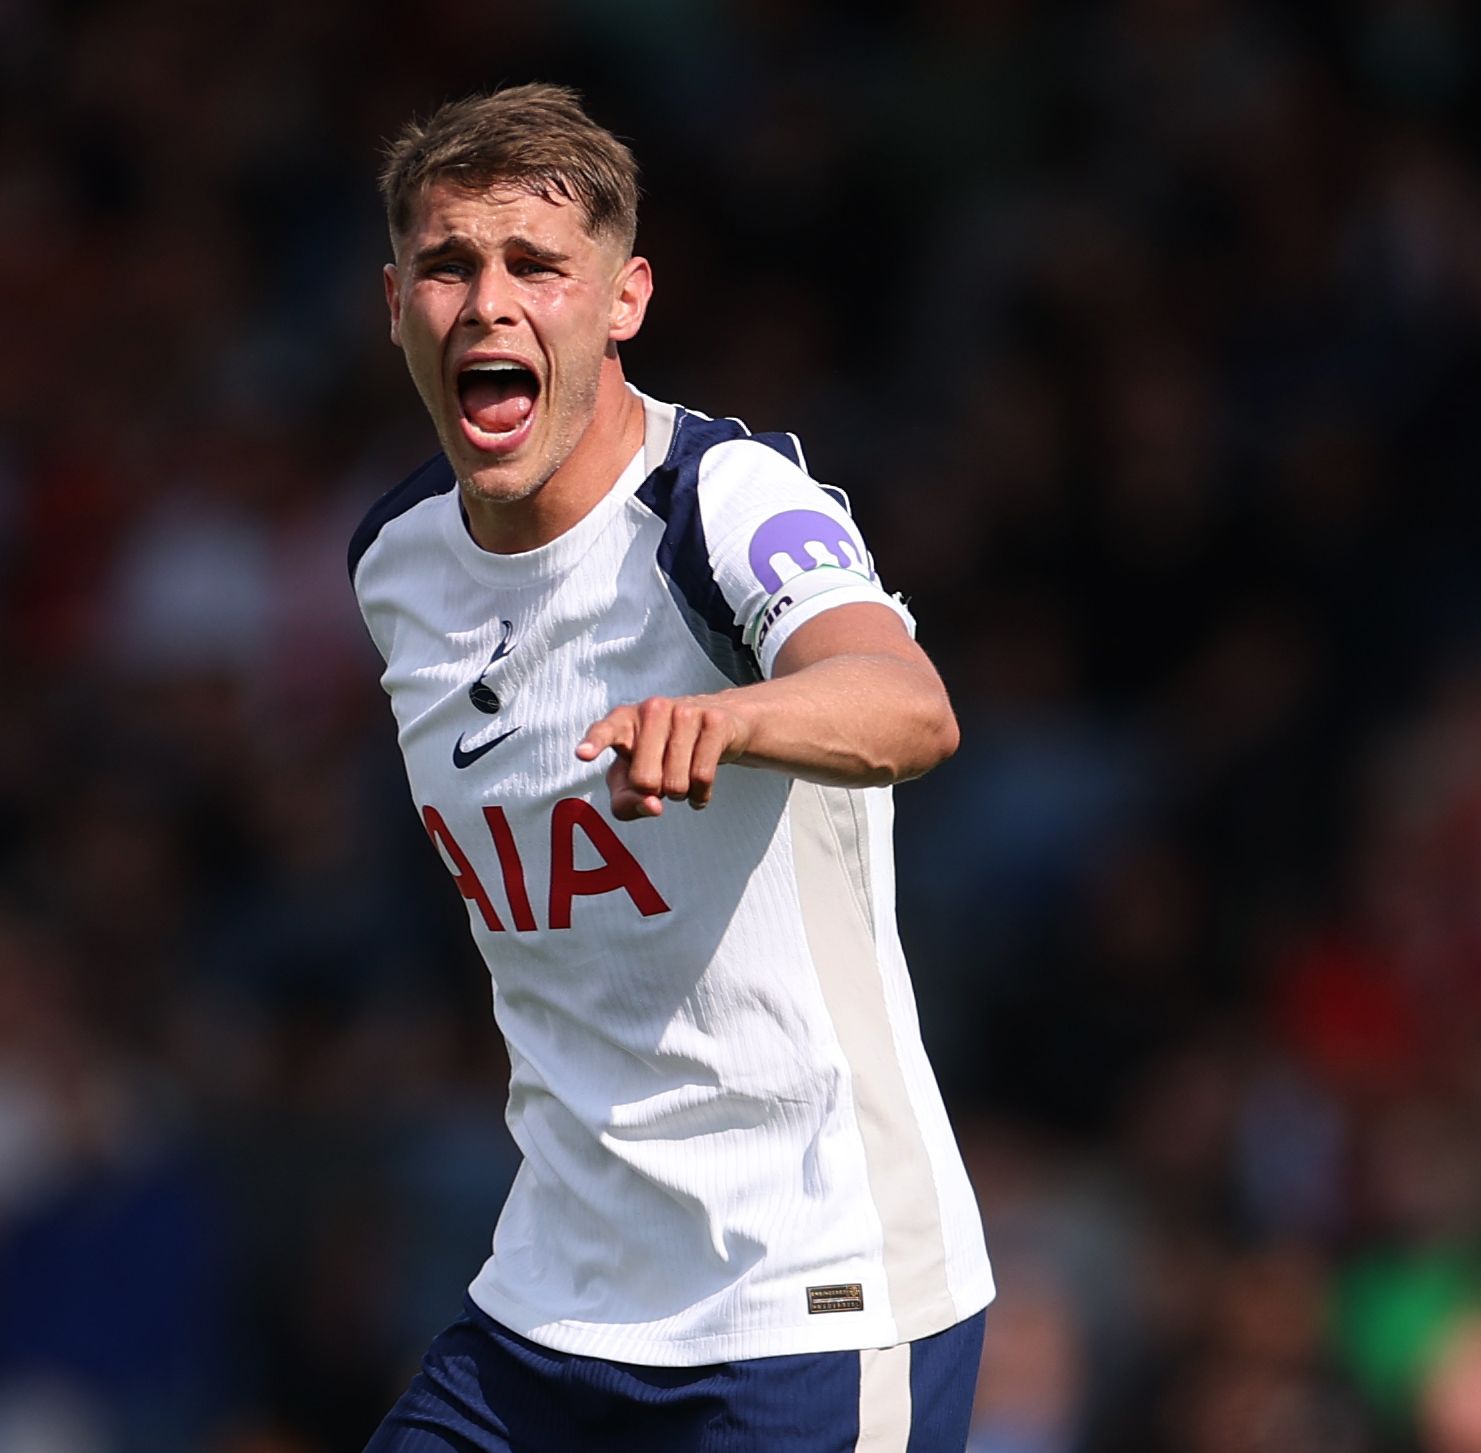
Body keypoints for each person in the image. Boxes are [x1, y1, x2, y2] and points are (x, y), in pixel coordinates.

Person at [346, 84, 995, 1451]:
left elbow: (908, 703)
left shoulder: (724, 499)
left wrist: (740, 718)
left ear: (624, 300)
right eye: (450, 266)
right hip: (552, 1303)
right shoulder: (397, 560)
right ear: (394, 300)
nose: (490, 303)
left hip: (806, 1302)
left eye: (538, 266)